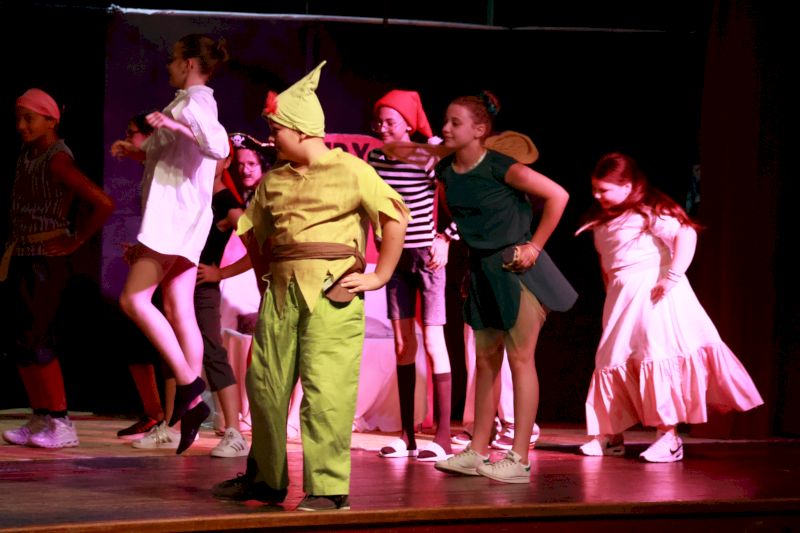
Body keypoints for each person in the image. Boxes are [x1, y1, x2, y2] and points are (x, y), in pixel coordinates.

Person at [211, 61, 409, 511]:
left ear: (301, 130)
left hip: (332, 293)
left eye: (276, 130)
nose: (271, 139)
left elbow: (394, 215)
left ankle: (328, 489)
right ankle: (265, 479)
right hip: (281, 294)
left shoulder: (351, 171)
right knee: (265, 387)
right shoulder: (274, 181)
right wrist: (264, 284)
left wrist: (379, 275)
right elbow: (254, 234)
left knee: (326, 391)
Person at [576, 152, 763, 462]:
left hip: (653, 294)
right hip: (622, 298)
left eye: (604, 189)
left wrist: (672, 277)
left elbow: (685, 234)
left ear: (627, 186)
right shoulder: (602, 221)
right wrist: (611, 293)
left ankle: (668, 437)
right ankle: (610, 435)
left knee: (655, 356)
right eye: (595, 189)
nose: (598, 195)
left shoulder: (649, 212)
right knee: (611, 359)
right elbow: (607, 264)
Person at [432, 91, 577, 484]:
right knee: (485, 360)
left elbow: (558, 195)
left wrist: (535, 245)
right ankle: (477, 450)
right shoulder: (446, 172)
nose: (446, 128)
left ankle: (519, 458)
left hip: (514, 269)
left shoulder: (502, 167)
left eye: (455, 123)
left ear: (480, 129)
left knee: (520, 359)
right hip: (481, 270)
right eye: (445, 121)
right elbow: (460, 216)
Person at [116, 33, 230, 455]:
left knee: (134, 300)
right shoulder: (185, 104)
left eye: (174, 59)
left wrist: (176, 125)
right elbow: (175, 156)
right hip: (184, 219)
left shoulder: (194, 103)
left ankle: (189, 387)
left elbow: (218, 146)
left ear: (189, 64)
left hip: (173, 221)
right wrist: (136, 152)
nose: (168, 65)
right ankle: (190, 406)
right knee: (177, 307)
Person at [1, 88, 115, 449]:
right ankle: (41, 416)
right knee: (21, 341)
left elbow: (103, 202)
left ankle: (62, 422)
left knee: (38, 340)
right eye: (19, 118)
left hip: (45, 260)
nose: (21, 126)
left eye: (29, 119)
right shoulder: (28, 153)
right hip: (23, 254)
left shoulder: (57, 159)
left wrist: (76, 239)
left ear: (51, 121)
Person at [367, 90, 456, 462]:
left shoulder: (426, 156)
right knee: (403, 344)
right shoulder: (375, 158)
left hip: (427, 256)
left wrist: (446, 237)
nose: (383, 127)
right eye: (379, 121)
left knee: (434, 341)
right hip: (395, 258)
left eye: (391, 121)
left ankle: (444, 436)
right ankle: (407, 435)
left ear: (407, 124)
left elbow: (457, 199)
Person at [110, 113, 166, 440]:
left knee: (156, 338)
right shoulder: (149, 169)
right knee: (134, 338)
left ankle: (169, 417)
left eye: (132, 133)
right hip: (151, 252)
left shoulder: (162, 169)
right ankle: (153, 412)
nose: (128, 138)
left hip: (167, 257)